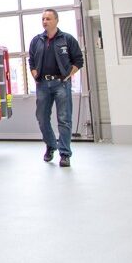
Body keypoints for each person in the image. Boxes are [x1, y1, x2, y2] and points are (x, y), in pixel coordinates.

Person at [28, 9, 84, 167]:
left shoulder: (67, 39)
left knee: (64, 119)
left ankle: (65, 154)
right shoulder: (36, 40)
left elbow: (78, 60)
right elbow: (31, 60)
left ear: (56, 21)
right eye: (43, 19)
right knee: (41, 118)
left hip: (61, 83)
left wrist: (67, 75)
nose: (45, 21)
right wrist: (34, 73)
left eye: (48, 18)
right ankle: (51, 145)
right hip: (43, 85)